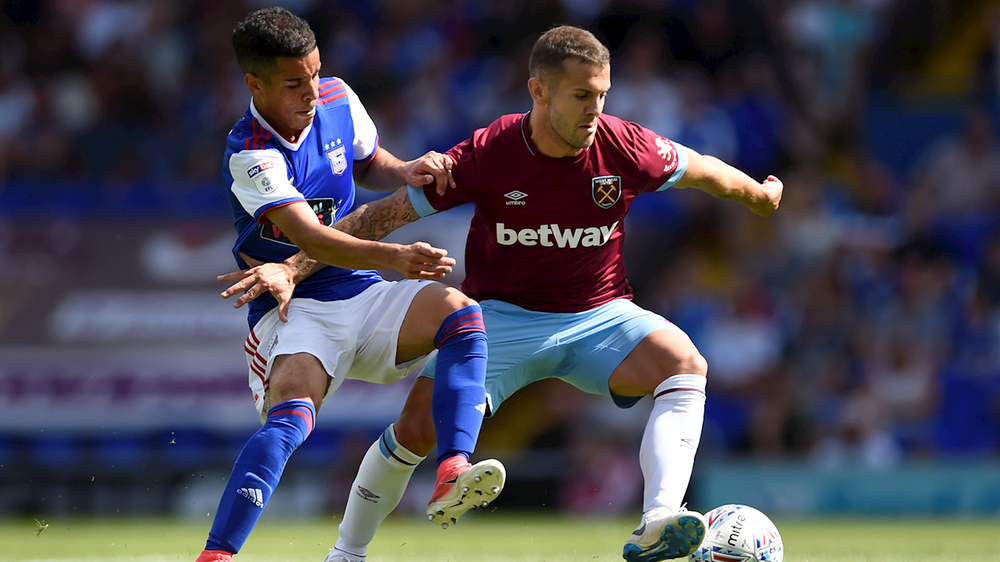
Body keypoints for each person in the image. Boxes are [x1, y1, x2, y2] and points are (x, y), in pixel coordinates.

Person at [224, 25, 782, 562]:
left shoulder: (624, 147)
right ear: (539, 91)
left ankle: (658, 519)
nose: (595, 110)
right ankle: (347, 552)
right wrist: (295, 267)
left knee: (684, 363)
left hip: (599, 315)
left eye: (603, 95)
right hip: (500, 320)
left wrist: (757, 194)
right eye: (582, 95)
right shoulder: (492, 152)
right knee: (416, 431)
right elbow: (383, 214)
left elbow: (702, 169)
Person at [195, 7, 506, 562]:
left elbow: (365, 161)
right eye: (294, 82)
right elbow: (310, 239)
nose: (311, 90)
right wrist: (396, 255)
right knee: (290, 418)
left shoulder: (337, 96)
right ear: (255, 84)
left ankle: (454, 467)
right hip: (294, 309)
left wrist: (403, 168)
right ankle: (218, 554)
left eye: (315, 72)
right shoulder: (249, 152)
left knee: (460, 313)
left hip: (361, 291)